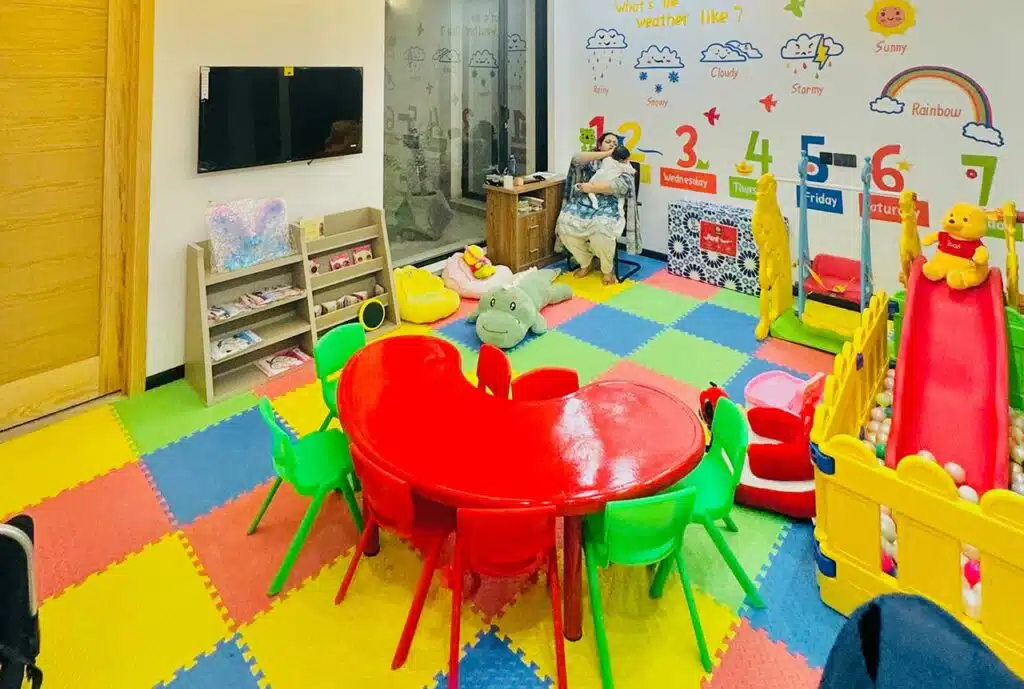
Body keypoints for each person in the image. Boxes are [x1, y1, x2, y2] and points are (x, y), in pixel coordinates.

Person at [555, 132, 641, 285]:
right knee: (564, 223)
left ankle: (607, 269)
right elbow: (576, 159)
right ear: (600, 145)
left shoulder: (623, 165)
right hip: (584, 201)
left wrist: (592, 188)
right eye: (608, 141)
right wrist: (606, 153)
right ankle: (585, 262)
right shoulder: (591, 162)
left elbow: (621, 187)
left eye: (615, 143)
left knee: (602, 228)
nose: (612, 144)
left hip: (609, 203)